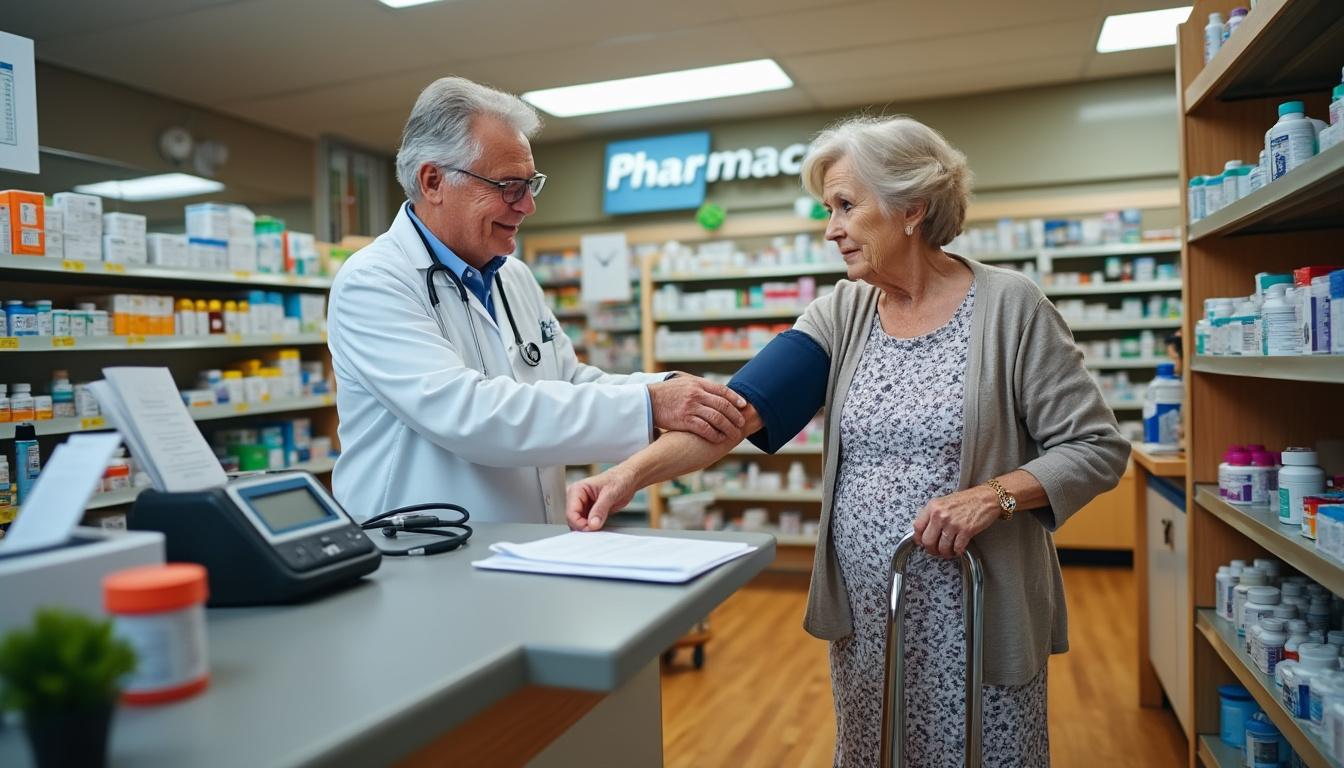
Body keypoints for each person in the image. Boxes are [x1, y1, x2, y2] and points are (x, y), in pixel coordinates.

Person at [566, 116, 1130, 766]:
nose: (830, 228)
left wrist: (995, 497)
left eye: (845, 205)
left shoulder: (1010, 307)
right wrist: (625, 477)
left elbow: (1095, 447)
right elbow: (736, 413)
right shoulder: (843, 311)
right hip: (872, 619)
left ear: (911, 207)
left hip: (974, 612)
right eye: (827, 209)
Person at [327, 77, 746, 525]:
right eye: (509, 186)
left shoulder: (513, 276)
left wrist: (666, 385)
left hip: (525, 545)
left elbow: (568, 379)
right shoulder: (373, 281)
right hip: (419, 549)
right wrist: (649, 403)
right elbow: (469, 414)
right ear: (433, 181)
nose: (527, 206)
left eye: (531, 185)